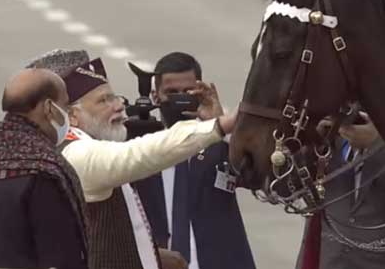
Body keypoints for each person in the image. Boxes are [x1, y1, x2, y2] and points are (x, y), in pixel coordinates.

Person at [26, 49, 237, 269]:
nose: (118, 106)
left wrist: (152, 255)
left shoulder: (83, 146)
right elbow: (140, 154)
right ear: (72, 116)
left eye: (114, 97)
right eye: (103, 101)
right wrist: (220, 125)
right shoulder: (74, 155)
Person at [0, 68, 91, 269]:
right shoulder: (44, 170)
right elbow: (61, 255)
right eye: (65, 106)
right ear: (49, 107)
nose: (66, 115)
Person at [137, 52, 256, 269]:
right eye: (171, 93)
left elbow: (257, 176)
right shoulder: (142, 149)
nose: (180, 98)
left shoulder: (218, 145)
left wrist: (219, 123)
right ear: (155, 97)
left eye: (188, 92)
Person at [295, 110, 385, 269]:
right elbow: (287, 190)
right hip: (327, 261)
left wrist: (375, 145)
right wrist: (311, 146)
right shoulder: (330, 136)